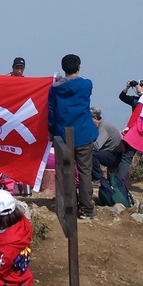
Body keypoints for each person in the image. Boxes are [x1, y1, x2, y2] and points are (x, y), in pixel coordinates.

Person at [47, 54, 97, 219]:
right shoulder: (86, 85)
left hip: (63, 136)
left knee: (66, 173)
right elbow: (84, 85)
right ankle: (87, 209)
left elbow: (52, 112)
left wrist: (51, 132)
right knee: (85, 173)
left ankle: (70, 208)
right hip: (84, 134)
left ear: (63, 68)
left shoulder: (55, 89)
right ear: (79, 67)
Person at [90, 108, 123, 180]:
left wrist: (85, 144)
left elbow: (97, 146)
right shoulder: (100, 126)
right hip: (112, 154)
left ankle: (98, 177)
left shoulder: (103, 127)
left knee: (92, 153)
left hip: (115, 156)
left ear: (95, 118)